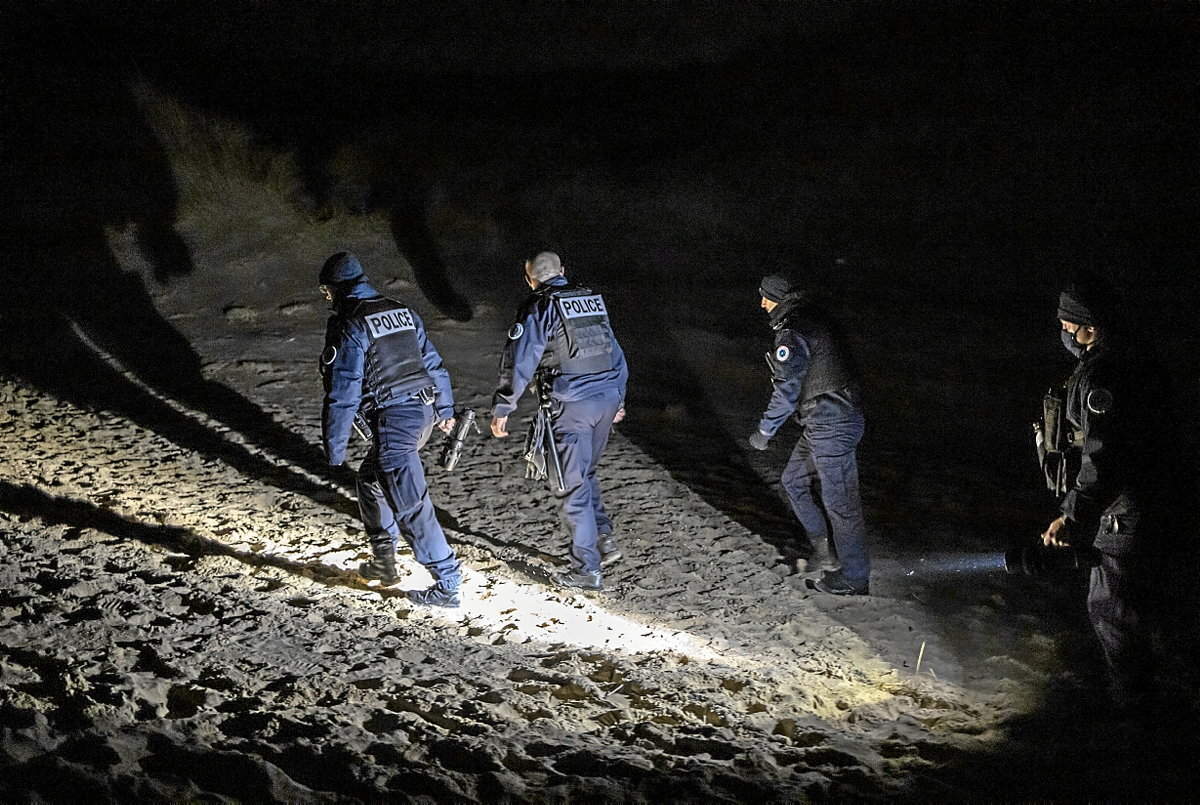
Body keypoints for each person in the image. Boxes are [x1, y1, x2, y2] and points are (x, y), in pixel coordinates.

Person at [1040, 275, 1171, 709]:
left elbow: (1103, 457)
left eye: (1066, 325)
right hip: (1143, 510)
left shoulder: (1106, 376)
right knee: (1142, 613)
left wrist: (1073, 515)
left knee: (1116, 615)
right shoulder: (1128, 359)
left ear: (1089, 328)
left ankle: (1140, 721)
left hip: (1127, 517)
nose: (1062, 333)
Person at [318, 251, 463, 608]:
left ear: (336, 288)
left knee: (411, 505)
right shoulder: (401, 310)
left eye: (325, 290)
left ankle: (447, 582)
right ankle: (384, 562)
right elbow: (432, 362)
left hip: (395, 424)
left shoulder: (352, 324)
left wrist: (335, 450)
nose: (324, 297)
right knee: (370, 480)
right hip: (423, 415)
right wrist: (445, 409)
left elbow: (344, 391)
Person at [490, 251, 628, 591]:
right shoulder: (591, 301)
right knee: (587, 472)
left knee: (571, 485)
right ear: (563, 271)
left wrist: (503, 406)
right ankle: (603, 540)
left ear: (530, 279)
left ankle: (587, 569)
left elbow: (520, 358)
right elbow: (615, 352)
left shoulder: (540, 307)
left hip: (572, 405)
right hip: (606, 399)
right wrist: (619, 397)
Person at [748, 273, 870, 595]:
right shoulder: (809, 319)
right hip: (827, 420)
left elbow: (787, 390)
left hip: (832, 423)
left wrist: (764, 430)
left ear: (778, 298)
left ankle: (855, 578)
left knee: (840, 501)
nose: (761, 303)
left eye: (765, 297)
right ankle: (824, 552)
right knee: (793, 481)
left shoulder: (793, 330)